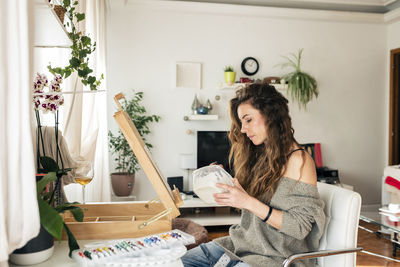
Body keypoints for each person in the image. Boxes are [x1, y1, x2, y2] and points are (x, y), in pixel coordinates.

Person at [181, 83, 326, 267]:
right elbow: (252, 207)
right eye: (241, 122)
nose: (242, 129)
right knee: (174, 263)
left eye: (248, 120)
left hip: (274, 259)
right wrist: (225, 182)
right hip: (238, 247)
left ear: (271, 115)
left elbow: (299, 228)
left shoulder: (299, 160)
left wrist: (247, 202)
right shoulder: (262, 156)